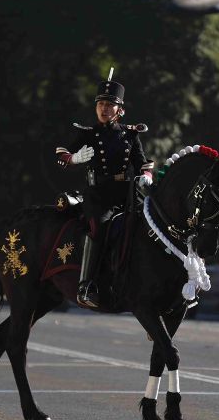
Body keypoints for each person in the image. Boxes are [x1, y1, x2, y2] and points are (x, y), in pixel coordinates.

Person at [56, 75, 154, 308]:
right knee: (98, 228)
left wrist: (146, 176)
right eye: (100, 104)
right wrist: (73, 158)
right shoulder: (88, 133)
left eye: (109, 105)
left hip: (126, 194)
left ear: (120, 110)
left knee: (150, 227)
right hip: (98, 195)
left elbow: (143, 163)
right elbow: (60, 154)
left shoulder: (131, 135)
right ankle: (86, 286)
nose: (104, 109)